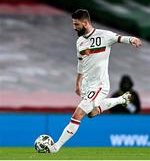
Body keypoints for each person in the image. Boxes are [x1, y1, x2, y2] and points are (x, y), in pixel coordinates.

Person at [47, 9, 142, 153]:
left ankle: (56, 147)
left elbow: (120, 38)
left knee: (77, 114)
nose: (74, 27)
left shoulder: (105, 36)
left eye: (76, 24)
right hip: (86, 85)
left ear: (85, 23)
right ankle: (121, 99)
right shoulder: (79, 42)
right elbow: (81, 63)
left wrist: (132, 39)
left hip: (99, 85)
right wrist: (77, 83)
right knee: (91, 113)